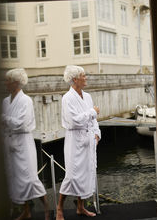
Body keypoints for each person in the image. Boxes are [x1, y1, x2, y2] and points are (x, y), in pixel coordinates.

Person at [1, 68, 50, 220]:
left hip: (23, 142)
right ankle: (26, 211)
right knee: (15, 178)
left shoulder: (26, 101)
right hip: (10, 143)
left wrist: (5, 119)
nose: (5, 83)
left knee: (29, 178)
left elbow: (22, 124)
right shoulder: (5, 101)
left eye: (8, 80)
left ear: (16, 82)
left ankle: (48, 209)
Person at [56, 65, 101, 220]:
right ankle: (59, 208)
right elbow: (74, 121)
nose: (86, 77)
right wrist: (92, 112)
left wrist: (96, 134)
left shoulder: (87, 97)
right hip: (75, 141)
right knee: (72, 175)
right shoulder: (67, 98)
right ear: (75, 79)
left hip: (89, 140)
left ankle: (81, 207)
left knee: (87, 173)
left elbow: (93, 120)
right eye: (83, 75)